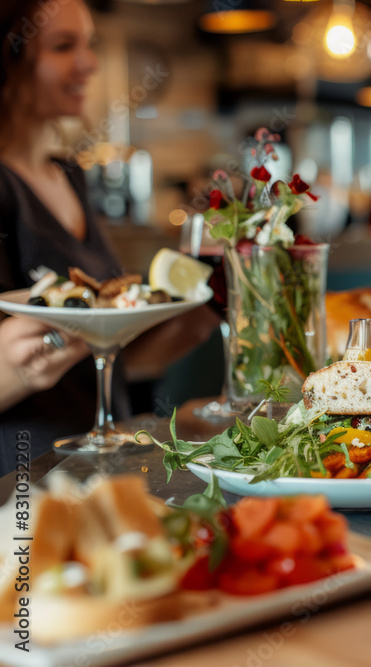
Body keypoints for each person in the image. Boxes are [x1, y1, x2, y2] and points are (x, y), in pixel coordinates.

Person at [0, 0, 217, 473]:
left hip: (110, 453)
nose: (90, 63)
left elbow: (123, 358)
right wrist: (23, 361)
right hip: (27, 472)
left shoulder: (70, 175)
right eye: (63, 46)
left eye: (89, 44)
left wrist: (197, 314)